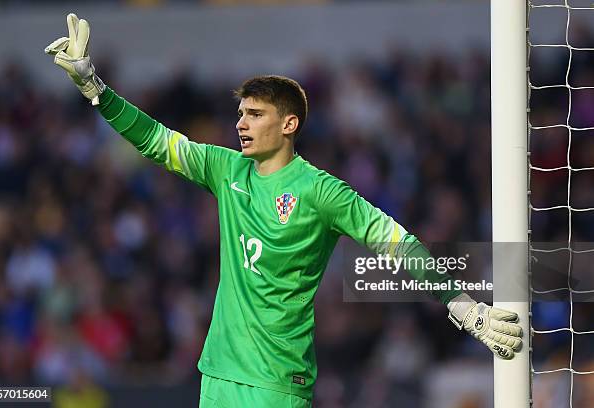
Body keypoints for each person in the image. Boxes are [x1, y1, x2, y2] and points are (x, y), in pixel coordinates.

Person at [45, 13, 523, 407]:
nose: (241, 124)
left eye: (255, 115)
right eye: (240, 114)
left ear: (289, 123)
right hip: (218, 376)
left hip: (277, 383)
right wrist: (96, 90)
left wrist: (463, 306)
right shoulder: (224, 169)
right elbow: (156, 141)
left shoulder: (322, 192)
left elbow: (395, 243)